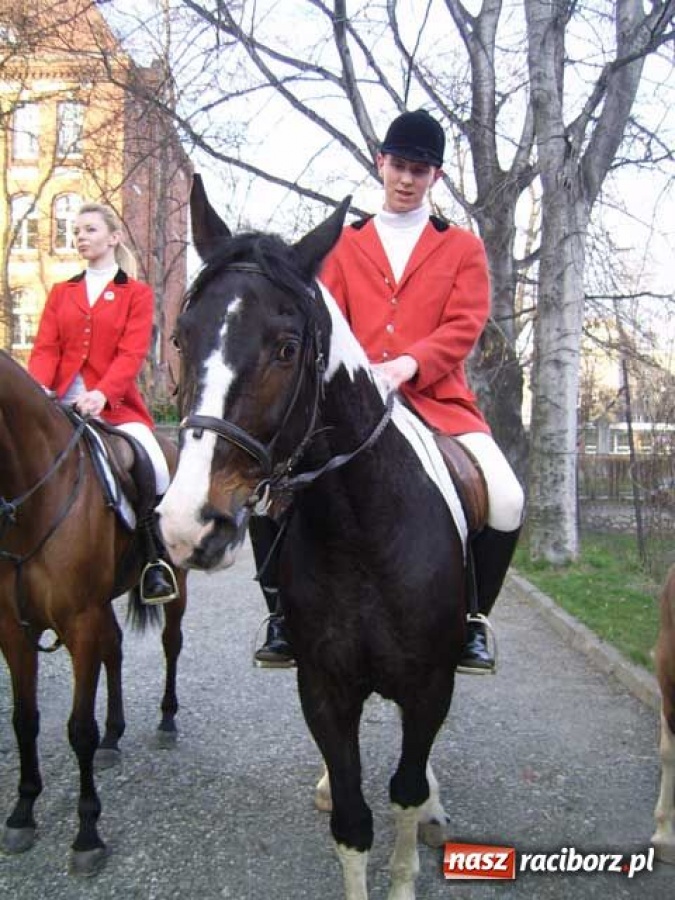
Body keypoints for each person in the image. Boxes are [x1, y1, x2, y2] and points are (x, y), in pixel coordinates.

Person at [253, 109, 524, 672]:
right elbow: (326, 320)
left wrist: (408, 364)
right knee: (264, 492)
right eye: (398, 165)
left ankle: (472, 619)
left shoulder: (463, 249)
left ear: (436, 178)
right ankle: (280, 616)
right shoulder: (345, 245)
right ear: (381, 163)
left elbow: (464, 324)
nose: (406, 178)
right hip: (352, 404)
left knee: (507, 497)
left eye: (419, 170)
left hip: (438, 403)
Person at [28, 202, 178, 605]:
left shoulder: (137, 293)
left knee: (154, 463)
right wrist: (39, 392)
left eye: (89, 229)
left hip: (115, 407)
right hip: (59, 405)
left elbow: (131, 354)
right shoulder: (62, 293)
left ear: (113, 237)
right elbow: (45, 349)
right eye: (76, 231)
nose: (80, 236)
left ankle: (152, 559)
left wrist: (102, 394)